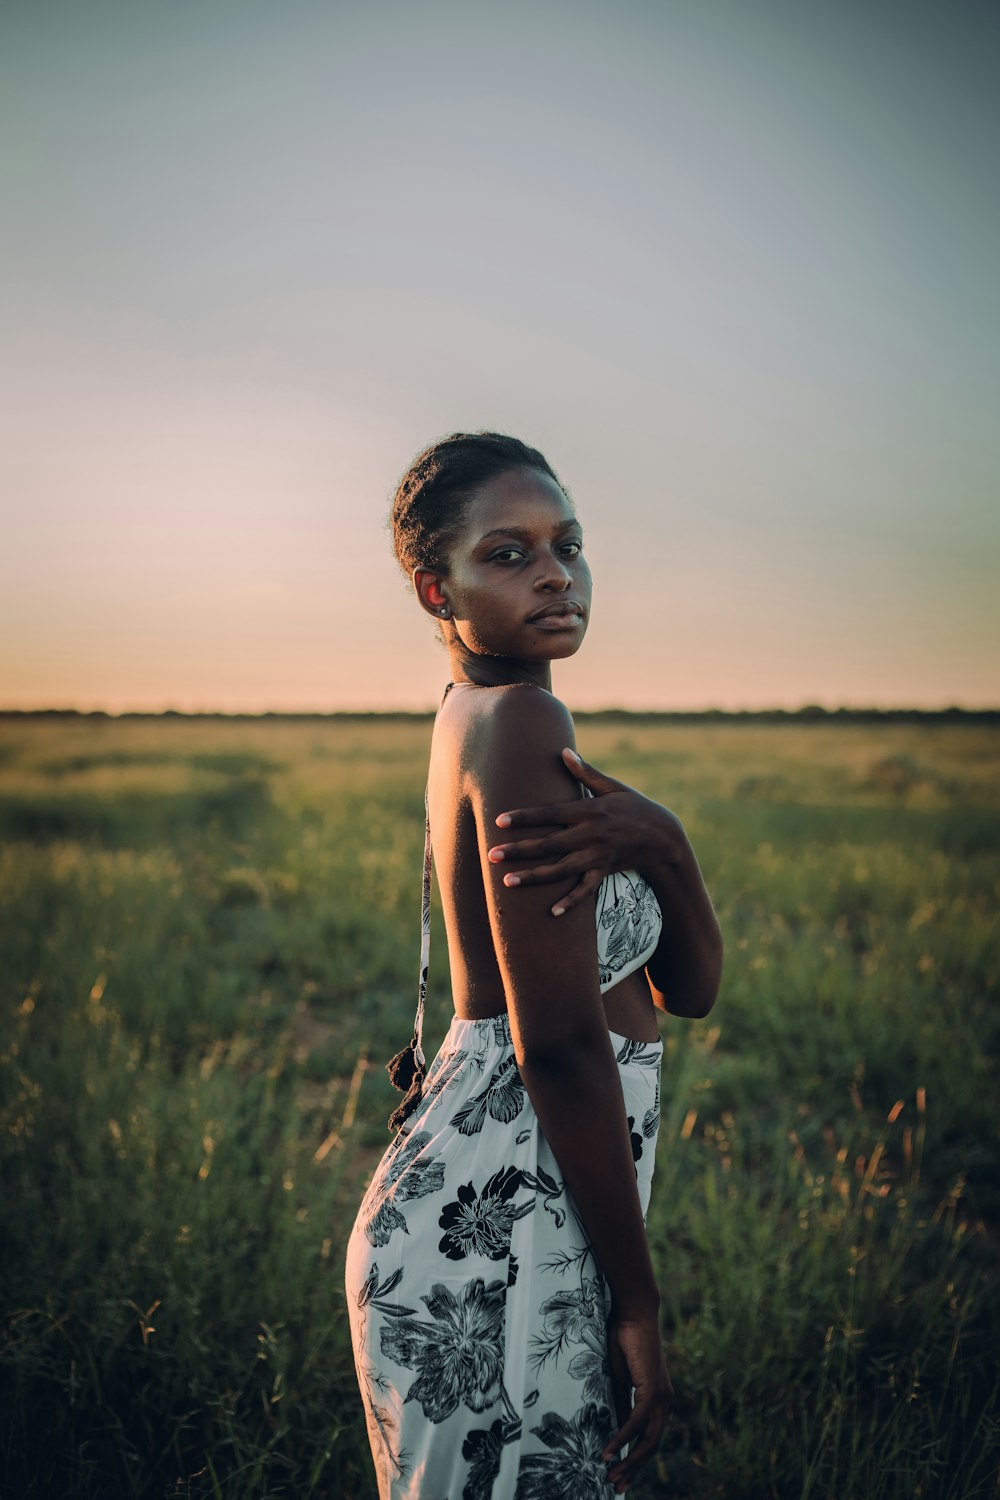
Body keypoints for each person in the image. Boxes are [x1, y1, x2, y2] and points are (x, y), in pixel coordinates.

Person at [345, 432, 723, 1499]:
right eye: (506, 555)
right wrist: (636, 1301)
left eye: (569, 545)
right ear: (438, 587)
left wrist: (665, 843)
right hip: (500, 1223)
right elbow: (555, 1041)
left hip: (512, 1195)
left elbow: (688, 993)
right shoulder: (519, 718)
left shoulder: (482, 714)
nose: (556, 572)